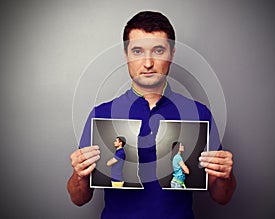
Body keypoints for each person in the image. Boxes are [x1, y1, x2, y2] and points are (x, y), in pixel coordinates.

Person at [67, 11, 236, 219]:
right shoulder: (101, 115)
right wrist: (79, 174)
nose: (148, 63)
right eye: (137, 51)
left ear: (172, 54)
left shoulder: (199, 115)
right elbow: (79, 198)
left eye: (158, 50)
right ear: (126, 55)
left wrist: (226, 176)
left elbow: (222, 197)